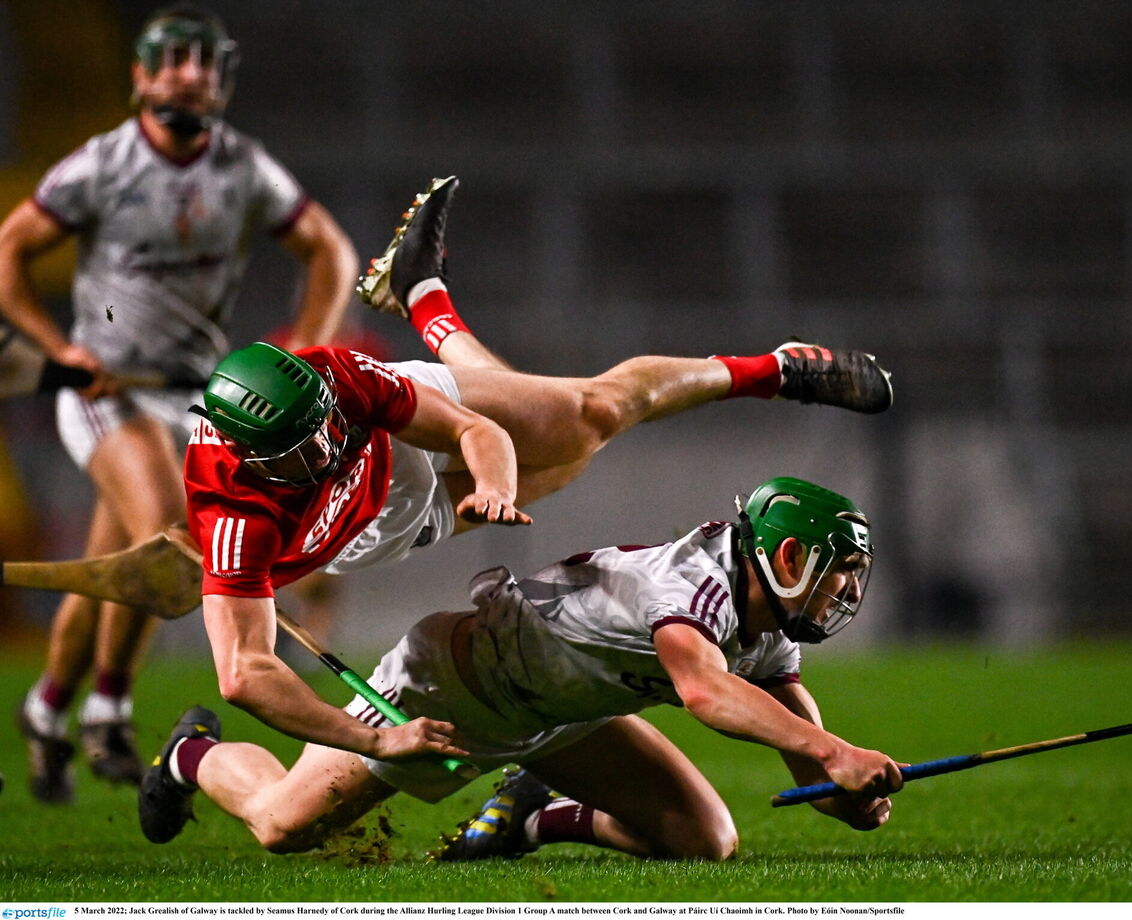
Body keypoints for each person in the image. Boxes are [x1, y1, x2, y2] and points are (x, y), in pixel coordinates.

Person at [174, 170, 894, 771]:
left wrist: (493, 484)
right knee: (571, 460)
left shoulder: (334, 383)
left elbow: (468, 427)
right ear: (254, 460)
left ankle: (774, 370)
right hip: (368, 526)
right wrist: (372, 737)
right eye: (306, 452)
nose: (330, 449)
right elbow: (246, 673)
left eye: (327, 428)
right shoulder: (237, 522)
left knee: (588, 416)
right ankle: (425, 295)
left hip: (397, 435)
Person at [137, 477, 903, 860]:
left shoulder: (770, 617)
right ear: (791, 556)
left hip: (560, 715)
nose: (849, 592)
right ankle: (188, 754)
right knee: (282, 826)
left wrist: (841, 789)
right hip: (454, 696)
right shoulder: (693, 582)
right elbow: (702, 689)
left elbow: (807, 751)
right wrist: (836, 756)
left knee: (706, 840)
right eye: (843, 570)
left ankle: (531, 814)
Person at [0, 3, 358, 802]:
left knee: (118, 564)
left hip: (195, 395)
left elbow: (328, 249)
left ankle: (52, 709)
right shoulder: (103, 164)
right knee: (166, 525)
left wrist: (307, 342)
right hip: (107, 393)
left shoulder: (242, 166)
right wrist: (59, 352)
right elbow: (10, 251)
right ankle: (106, 713)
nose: (190, 74)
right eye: (173, 59)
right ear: (141, 76)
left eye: (204, 60)